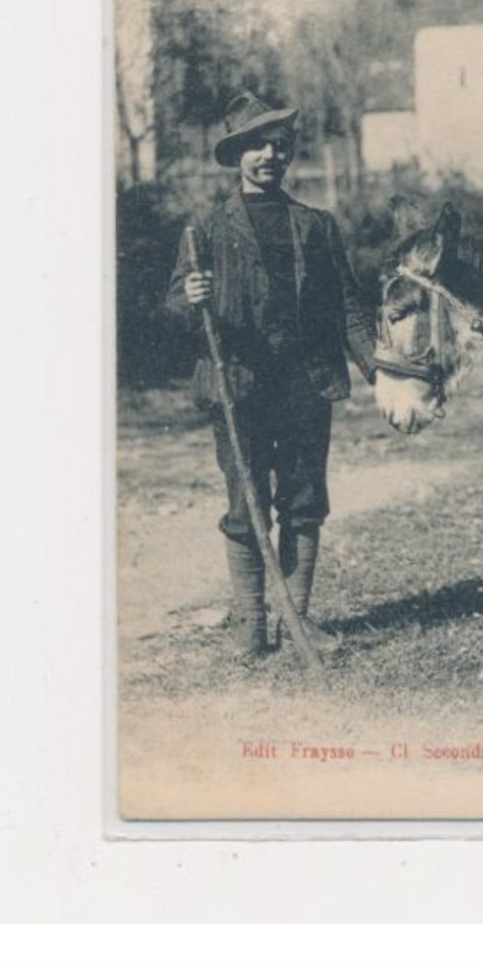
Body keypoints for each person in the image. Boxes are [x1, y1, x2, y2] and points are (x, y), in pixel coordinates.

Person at [166, 91, 377, 663]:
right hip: (239, 387)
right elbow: (173, 313)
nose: (269, 155)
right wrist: (190, 298)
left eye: (279, 146)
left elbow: (348, 309)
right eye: (257, 145)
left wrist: (378, 366)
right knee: (246, 499)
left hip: (306, 384)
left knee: (305, 500)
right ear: (237, 155)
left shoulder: (316, 225)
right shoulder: (207, 232)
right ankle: (250, 624)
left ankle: (297, 620)